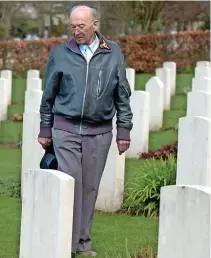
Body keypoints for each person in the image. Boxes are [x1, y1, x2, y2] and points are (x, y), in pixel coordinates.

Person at [37, 4, 133, 257]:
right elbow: (48, 95)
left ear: (95, 25)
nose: (76, 31)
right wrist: (45, 128)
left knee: (90, 188)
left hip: (99, 132)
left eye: (81, 26)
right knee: (71, 185)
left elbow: (122, 94)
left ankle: (83, 244)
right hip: (65, 130)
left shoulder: (113, 53)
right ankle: (64, 245)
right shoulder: (61, 53)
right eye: (73, 26)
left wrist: (124, 130)